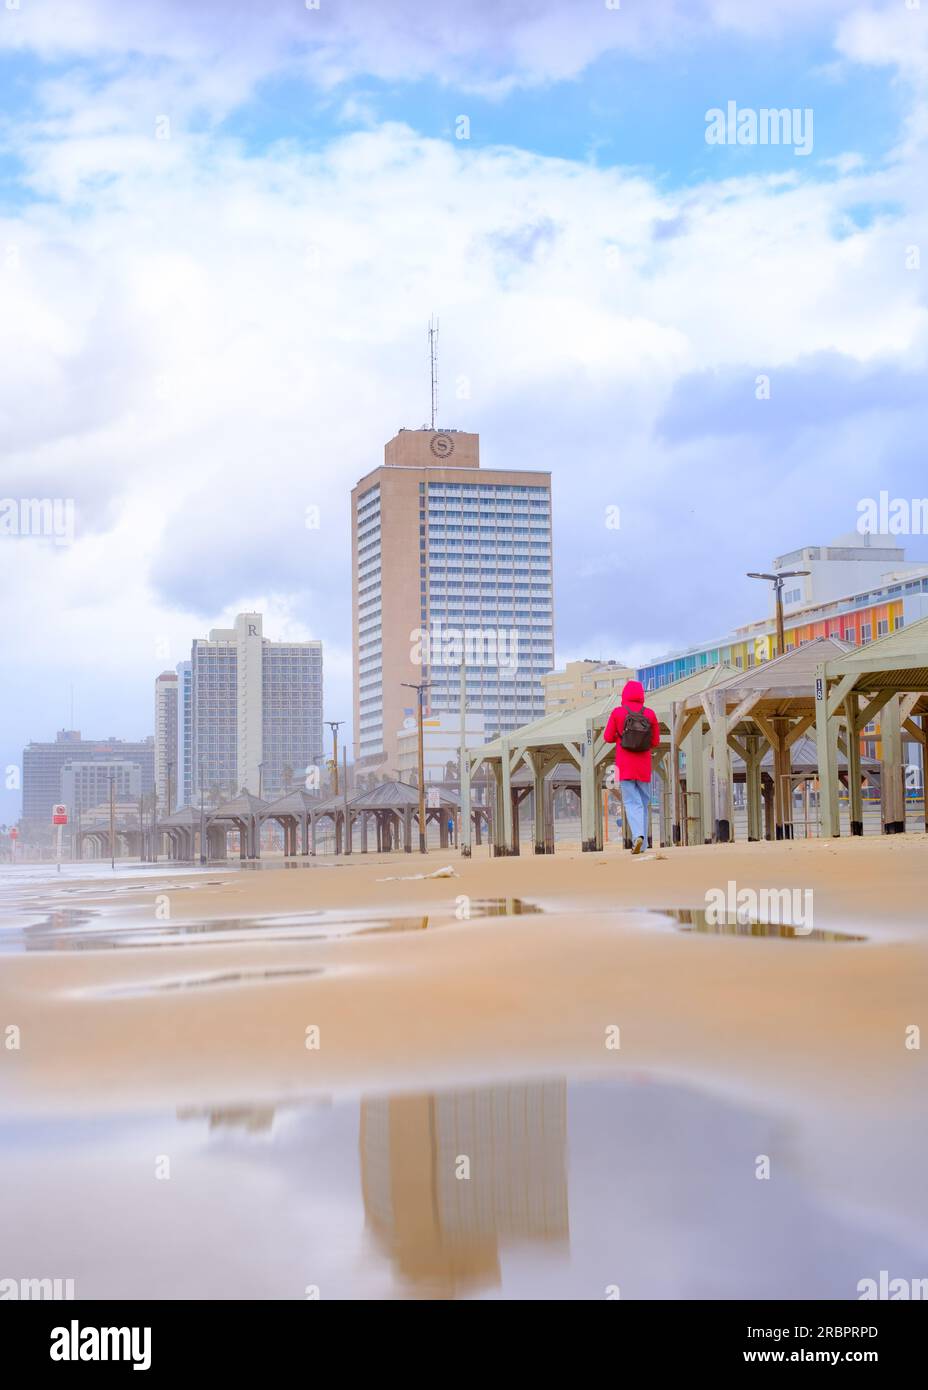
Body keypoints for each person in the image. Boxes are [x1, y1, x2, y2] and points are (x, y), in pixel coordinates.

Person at [604, 679, 660, 855]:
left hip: (625, 764)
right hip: (643, 765)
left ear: (624, 694)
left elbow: (607, 737)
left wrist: (621, 739)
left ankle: (638, 837)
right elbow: (656, 741)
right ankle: (642, 844)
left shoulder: (618, 712)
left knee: (631, 802)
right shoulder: (650, 714)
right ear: (641, 695)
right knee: (643, 803)